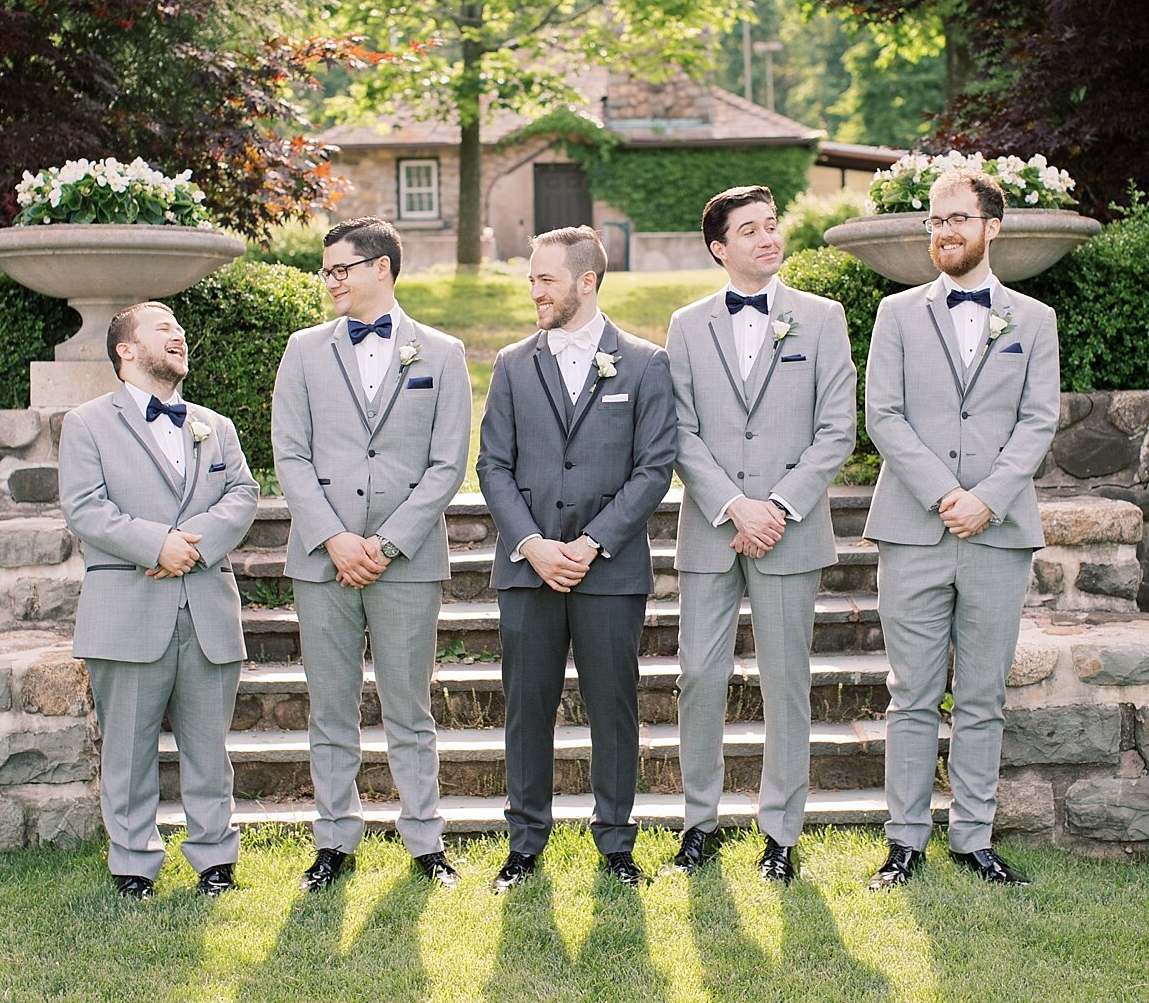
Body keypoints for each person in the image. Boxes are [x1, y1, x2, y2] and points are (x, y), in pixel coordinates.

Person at [864, 166, 1060, 888]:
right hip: (914, 530)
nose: (942, 231)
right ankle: (905, 840)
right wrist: (948, 493)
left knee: (982, 694)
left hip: (998, 534)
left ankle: (974, 838)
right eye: (934, 220)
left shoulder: (1034, 320)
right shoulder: (897, 315)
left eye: (956, 218)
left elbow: (1039, 419)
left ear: (991, 227)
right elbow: (882, 413)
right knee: (911, 693)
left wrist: (989, 498)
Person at [662, 185, 856, 882]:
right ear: (720, 247)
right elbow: (677, 429)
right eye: (750, 230)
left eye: (771, 226)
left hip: (791, 530)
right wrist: (733, 507)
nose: (767, 238)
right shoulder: (686, 325)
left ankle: (781, 833)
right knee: (699, 677)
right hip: (713, 530)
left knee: (786, 681)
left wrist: (775, 505)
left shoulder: (822, 318)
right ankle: (698, 824)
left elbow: (838, 427)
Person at [272, 217, 471, 892]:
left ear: (380, 267)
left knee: (409, 708)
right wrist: (335, 538)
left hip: (406, 561)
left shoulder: (442, 353)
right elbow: (290, 456)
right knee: (330, 708)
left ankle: (425, 843)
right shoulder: (302, 350)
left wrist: (384, 544)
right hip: (322, 558)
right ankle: (334, 842)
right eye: (325, 270)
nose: (329, 280)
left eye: (339, 268)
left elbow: (448, 465)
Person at [477, 225, 676, 891]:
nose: (534, 290)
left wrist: (590, 544)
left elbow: (654, 469)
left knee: (613, 709)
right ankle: (525, 842)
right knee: (526, 709)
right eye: (531, 278)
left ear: (586, 282)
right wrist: (532, 544)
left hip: (610, 571)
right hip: (527, 570)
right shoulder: (510, 364)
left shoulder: (645, 363)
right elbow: (493, 466)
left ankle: (617, 844)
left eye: (544, 279)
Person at [59, 301, 259, 899]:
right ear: (126, 349)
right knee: (127, 749)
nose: (179, 336)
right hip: (126, 610)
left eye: (180, 328)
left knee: (208, 747)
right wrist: (156, 546)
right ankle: (133, 865)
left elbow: (243, 494)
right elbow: (85, 508)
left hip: (206, 610)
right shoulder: (88, 422)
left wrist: (188, 550)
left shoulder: (215, 424)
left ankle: (215, 861)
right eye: (163, 328)